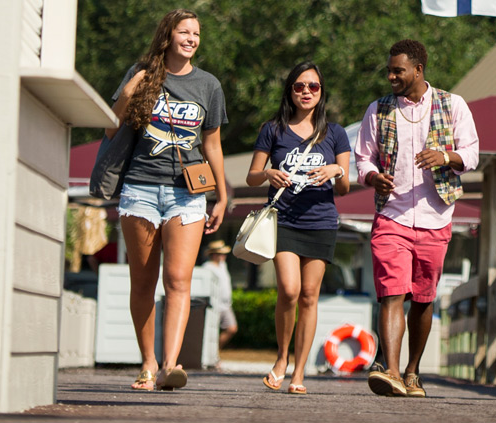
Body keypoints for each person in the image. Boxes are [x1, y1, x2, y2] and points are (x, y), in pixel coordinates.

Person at [108, 8, 228, 391]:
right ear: (168, 36)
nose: (191, 39)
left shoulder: (208, 85)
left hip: (187, 194)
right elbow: (112, 127)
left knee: (178, 280)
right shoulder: (140, 74)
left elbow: (212, 144)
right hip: (140, 188)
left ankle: (170, 366)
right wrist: (129, 91)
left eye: (196, 33)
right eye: (184, 32)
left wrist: (222, 195)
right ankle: (147, 363)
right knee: (142, 282)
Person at [355, 39, 479, 398]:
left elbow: (471, 153)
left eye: (398, 70)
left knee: (423, 299)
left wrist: (445, 157)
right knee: (391, 294)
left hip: (435, 215)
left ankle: (412, 371)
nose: (391, 76)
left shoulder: (452, 104)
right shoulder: (378, 110)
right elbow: (363, 158)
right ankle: (391, 370)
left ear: (418, 70)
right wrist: (371, 176)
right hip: (391, 215)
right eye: (389, 70)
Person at [246, 61, 350, 395]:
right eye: (299, 86)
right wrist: (268, 174)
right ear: (290, 91)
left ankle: (299, 372)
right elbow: (251, 176)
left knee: (309, 296)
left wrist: (335, 168)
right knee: (289, 290)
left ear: (321, 93)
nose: (306, 92)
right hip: (285, 220)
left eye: (313, 87)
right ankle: (281, 359)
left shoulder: (334, 133)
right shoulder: (273, 129)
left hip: (321, 222)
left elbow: (346, 186)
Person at [202, 240, 238, 350]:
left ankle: (216, 351)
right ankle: (212, 354)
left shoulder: (223, 266)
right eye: (220, 254)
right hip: (215, 305)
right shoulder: (207, 267)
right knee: (211, 331)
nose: (223, 256)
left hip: (226, 305)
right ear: (213, 255)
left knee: (232, 328)